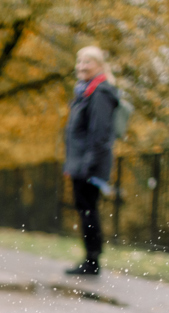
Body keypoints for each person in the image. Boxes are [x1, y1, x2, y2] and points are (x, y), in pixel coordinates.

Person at [63, 46, 119, 276]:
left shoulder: (100, 93)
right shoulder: (86, 91)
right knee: (85, 209)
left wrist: (87, 165)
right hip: (81, 163)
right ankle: (91, 258)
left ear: (99, 65)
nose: (82, 66)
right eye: (80, 62)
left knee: (88, 210)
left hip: (89, 165)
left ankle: (93, 261)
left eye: (88, 62)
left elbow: (100, 133)